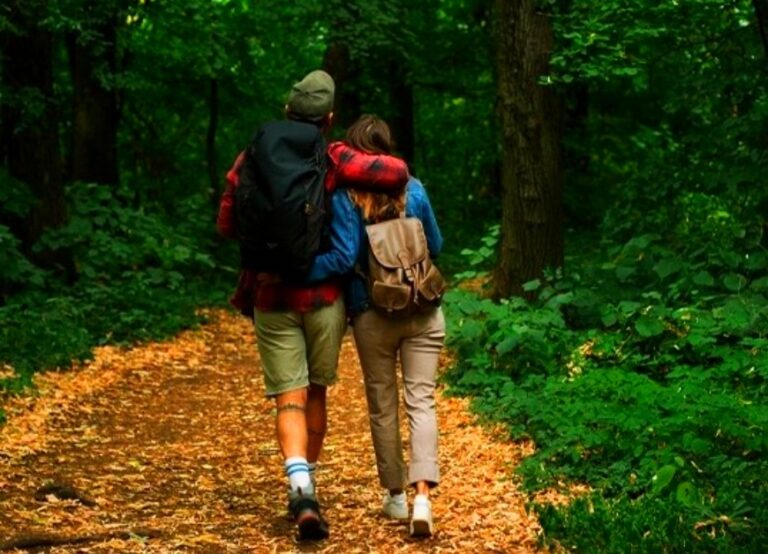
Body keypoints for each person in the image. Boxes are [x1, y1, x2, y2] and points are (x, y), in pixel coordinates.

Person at [217, 74, 409, 541]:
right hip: (323, 298)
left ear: (287, 112)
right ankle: (308, 483)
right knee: (316, 392)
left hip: (270, 294)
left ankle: (300, 485)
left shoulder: (252, 155)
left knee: (290, 397)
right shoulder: (333, 155)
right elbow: (396, 174)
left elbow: (226, 222)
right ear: (328, 118)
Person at [307, 114, 446, 537]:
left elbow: (346, 257)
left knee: (382, 405)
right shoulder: (415, 189)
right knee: (421, 402)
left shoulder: (347, 196)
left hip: (372, 313)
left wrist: (301, 269)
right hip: (423, 307)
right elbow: (436, 245)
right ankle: (422, 495)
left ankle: (395, 497)